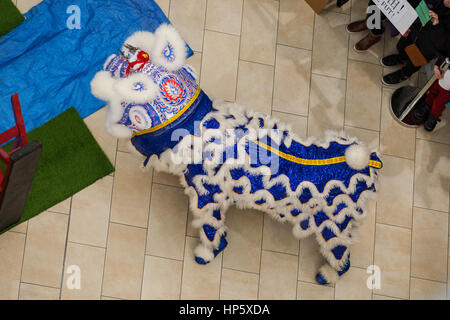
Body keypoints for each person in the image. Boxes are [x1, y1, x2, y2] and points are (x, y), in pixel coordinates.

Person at [381, 0, 450, 85]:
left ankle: (404, 74)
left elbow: (443, 44)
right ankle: (401, 57)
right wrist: (405, 23)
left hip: (429, 47)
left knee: (414, 62)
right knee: (402, 46)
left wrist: (437, 25)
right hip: (415, 30)